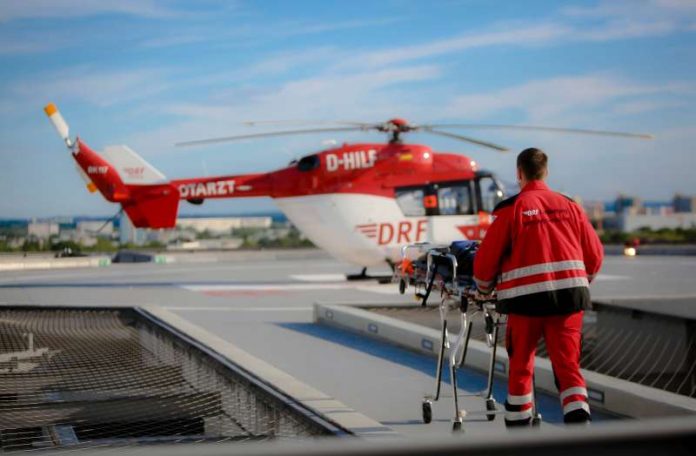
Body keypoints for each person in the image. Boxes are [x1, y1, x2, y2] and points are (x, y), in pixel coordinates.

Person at [473, 147, 603, 426]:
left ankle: (520, 431)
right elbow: (594, 256)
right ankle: (581, 427)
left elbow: (485, 263)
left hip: (524, 303)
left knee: (521, 366)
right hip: (569, 301)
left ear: (519, 174)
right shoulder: (570, 206)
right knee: (568, 366)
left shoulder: (511, 211)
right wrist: (578, 280)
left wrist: (484, 290)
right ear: (546, 172)